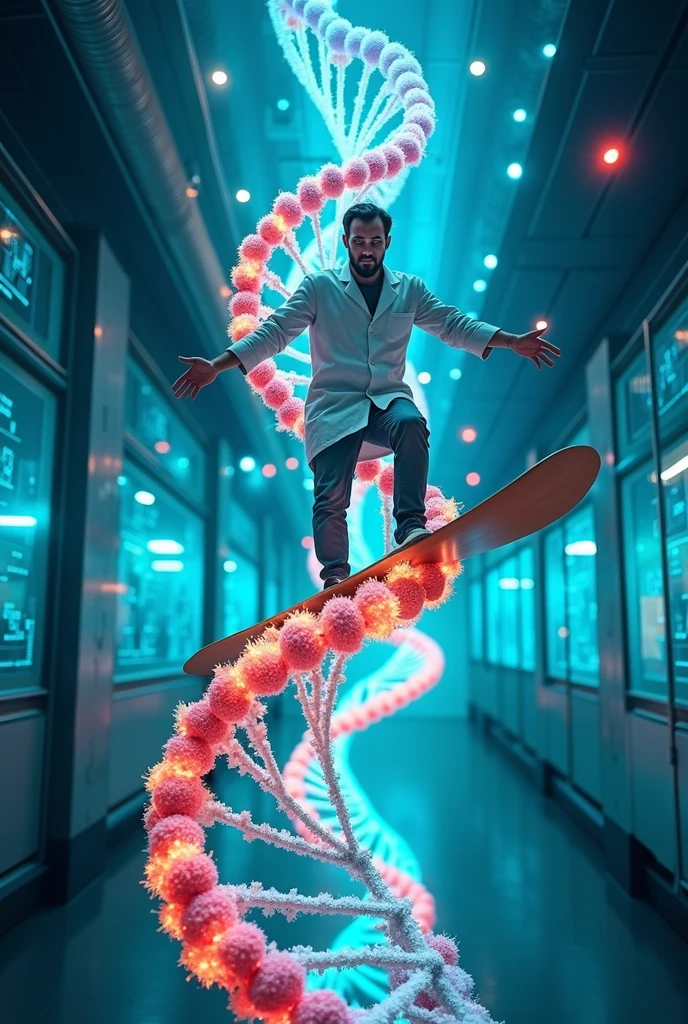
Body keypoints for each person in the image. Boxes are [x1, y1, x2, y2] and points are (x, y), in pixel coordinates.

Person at [172, 202, 560, 590]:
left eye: (375, 241)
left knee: (411, 423)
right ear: (345, 241)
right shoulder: (320, 288)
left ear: (387, 242)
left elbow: (451, 324)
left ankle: (410, 526)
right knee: (330, 499)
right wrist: (218, 365)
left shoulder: (408, 290)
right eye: (359, 241)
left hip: (386, 402)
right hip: (332, 410)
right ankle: (335, 575)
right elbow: (274, 332)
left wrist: (509, 341)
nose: (367, 249)